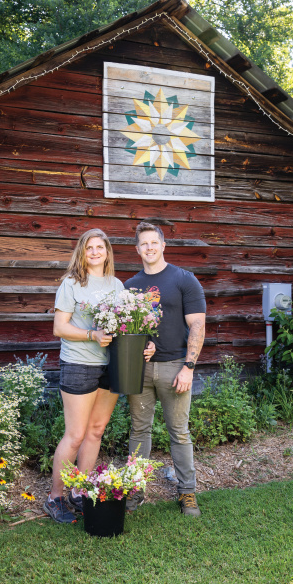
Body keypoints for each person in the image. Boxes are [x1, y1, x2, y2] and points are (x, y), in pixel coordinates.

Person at [125, 221, 206, 517]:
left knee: (179, 433)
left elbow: (197, 324)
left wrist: (189, 367)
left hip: (175, 368)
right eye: (143, 244)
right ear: (137, 250)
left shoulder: (184, 280)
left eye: (153, 242)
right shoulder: (130, 286)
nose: (149, 248)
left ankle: (187, 493)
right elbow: (126, 330)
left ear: (163, 245)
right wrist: (138, 347)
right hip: (140, 370)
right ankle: (136, 490)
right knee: (138, 431)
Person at [45, 228, 123, 523]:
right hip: (79, 364)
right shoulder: (71, 283)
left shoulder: (117, 285)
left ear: (107, 252)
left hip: (111, 365)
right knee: (76, 434)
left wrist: (146, 341)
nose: (94, 252)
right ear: (82, 252)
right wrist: (92, 333)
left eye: (99, 247)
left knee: (96, 430)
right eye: (89, 247)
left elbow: (128, 324)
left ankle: (79, 491)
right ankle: (55, 497)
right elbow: (59, 328)